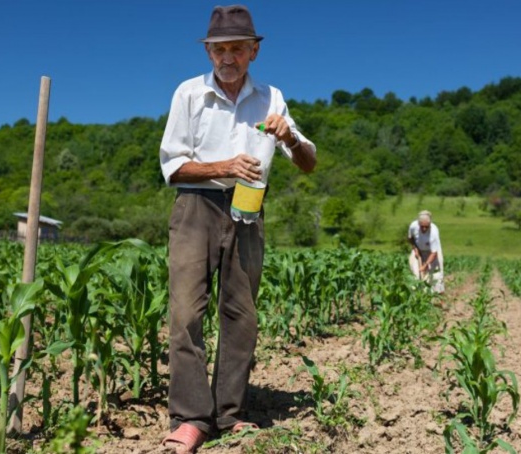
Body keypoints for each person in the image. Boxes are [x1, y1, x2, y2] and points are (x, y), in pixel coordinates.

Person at [158, 5, 316, 453]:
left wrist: (288, 137)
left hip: (249, 209)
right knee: (187, 312)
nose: (226, 57)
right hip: (196, 207)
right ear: (209, 51)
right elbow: (172, 166)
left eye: (236, 49)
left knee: (241, 317)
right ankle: (190, 417)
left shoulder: (272, 98)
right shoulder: (189, 94)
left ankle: (229, 415)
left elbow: (308, 163)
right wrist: (224, 166)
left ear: (253, 52)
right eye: (218, 49)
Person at [407, 210, 444, 294]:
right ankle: (417, 295)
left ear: (430, 224)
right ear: (418, 224)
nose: (424, 229)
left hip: (432, 252)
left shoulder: (434, 232)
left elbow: (434, 253)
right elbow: (410, 238)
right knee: (416, 273)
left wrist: (426, 265)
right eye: (422, 226)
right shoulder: (413, 226)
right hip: (418, 249)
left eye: (426, 227)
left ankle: (438, 296)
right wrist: (415, 248)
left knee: (435, 275)